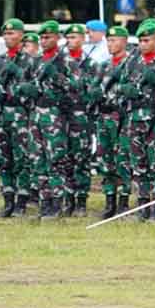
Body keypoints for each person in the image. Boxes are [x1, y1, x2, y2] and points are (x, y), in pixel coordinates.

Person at [0, 18, 35, 217]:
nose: (8, 37)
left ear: (21, 36)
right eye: (5, 34)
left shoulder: (30, 61)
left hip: (22, 115)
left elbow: (37, 87)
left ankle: (21, 202)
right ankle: (7, 201)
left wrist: (19, 74)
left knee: (22, 160)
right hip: (3, 115)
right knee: (5, 160)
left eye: (12, 34)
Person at [119, 20, 155, 220]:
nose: (143, 44)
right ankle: (142, 207)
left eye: (147, 40)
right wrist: (126, 90)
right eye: (140, 40)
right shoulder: (132, 60)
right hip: (135, 119)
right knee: (138, 165)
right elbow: (120, 85)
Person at [24, 20, 73, 219]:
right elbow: (23, 82)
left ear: (57, 38)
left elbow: (76, 86)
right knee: (38, 161)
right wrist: (26, 89)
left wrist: (57, 77)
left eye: (48, 37)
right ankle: (44, 203)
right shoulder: (35, 61)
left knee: (56, 161)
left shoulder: (65, 61)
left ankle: (57, 203)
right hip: (36, 114)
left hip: (55, 116)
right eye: (42, 37)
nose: (44, 41)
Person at [93, 25, 131, 218]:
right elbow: (95, 88)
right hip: (104, 116)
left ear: (124, 42)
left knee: (123, 159)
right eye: (108, 40)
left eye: (114, 40)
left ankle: (124, 201)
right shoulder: (104, 66)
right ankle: (109, 200)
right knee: (105, 159)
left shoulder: (130, 64)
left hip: (122, 117)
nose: (110, 44)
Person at [62, 23, 97, 217]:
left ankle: (81, 200)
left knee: (81, 160)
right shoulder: (60, 62)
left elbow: (93, 91)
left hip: (81, 116)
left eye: (74, 37)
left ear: (83, 39)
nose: (70, 41)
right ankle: (68, 199)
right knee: (65, 159)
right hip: (63, 117)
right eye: (68, 38)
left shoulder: (90, 64)